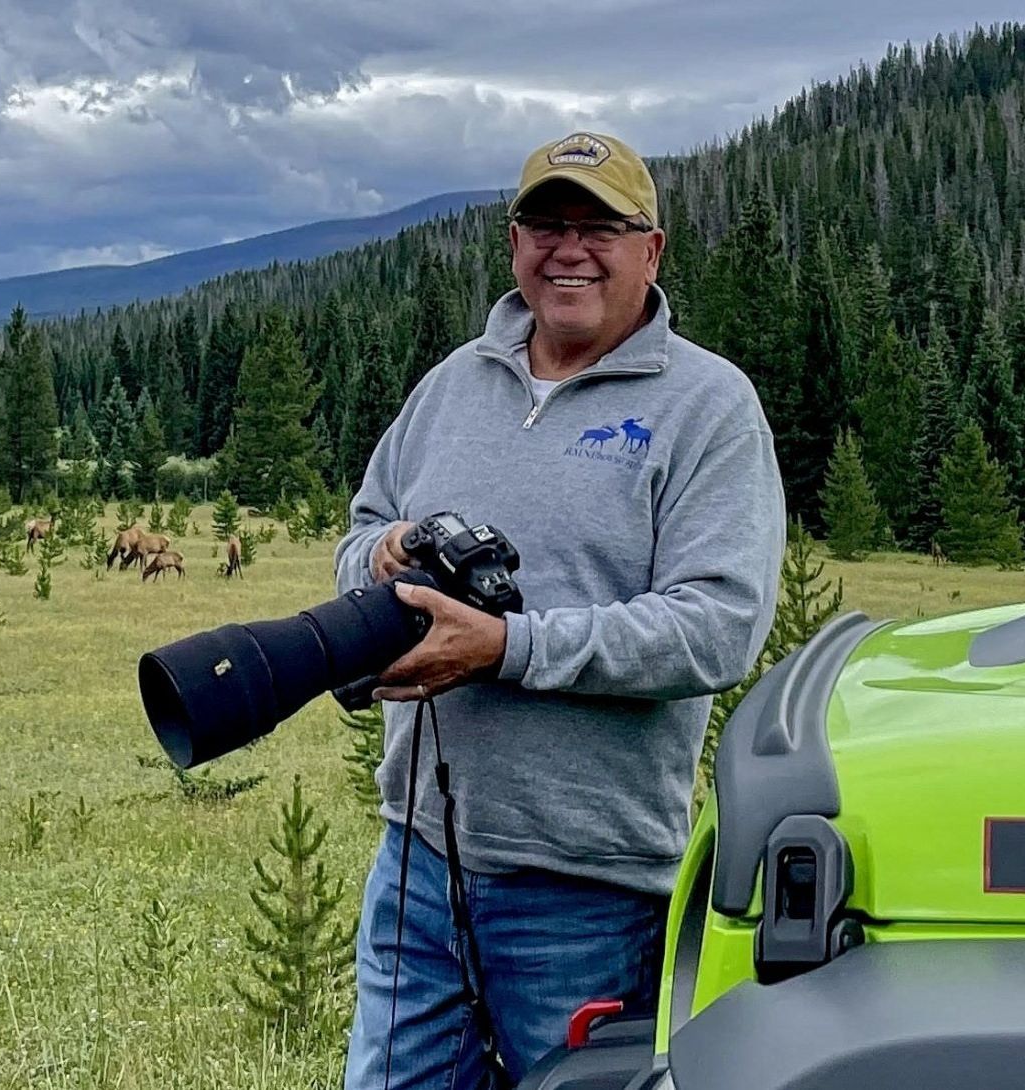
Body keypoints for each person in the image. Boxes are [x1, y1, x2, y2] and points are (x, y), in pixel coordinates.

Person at [334, 130, 787, 1089]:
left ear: (650, 249)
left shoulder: (708, 407)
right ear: (513, 242)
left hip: (588, 892)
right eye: (546, 223)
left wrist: (506, 648)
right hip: (415, 865)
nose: (568, 248)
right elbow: (362, 529)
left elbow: (716, 627)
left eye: (599, 227)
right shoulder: (453, 385)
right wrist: (375, 555)